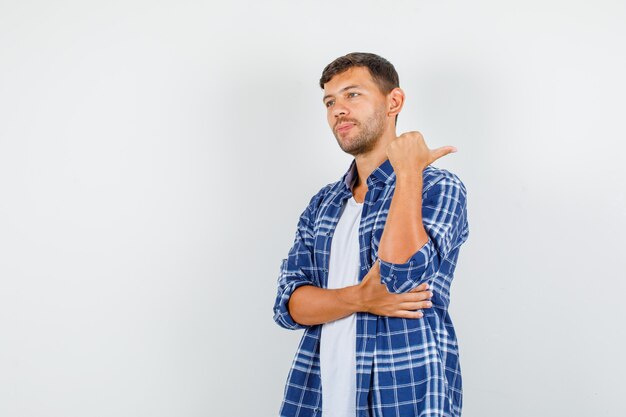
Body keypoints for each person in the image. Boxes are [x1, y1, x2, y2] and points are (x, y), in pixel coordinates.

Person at [272, 52, 470, 417]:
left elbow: (400, 275)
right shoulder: (324, 204)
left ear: (393, 101)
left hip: (404, 396)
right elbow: (289, 305)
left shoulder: (437, 187)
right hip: (317, 398)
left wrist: (408, 172)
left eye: (352, 95)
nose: (337, 110)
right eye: (330, 101)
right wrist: (361, 297)